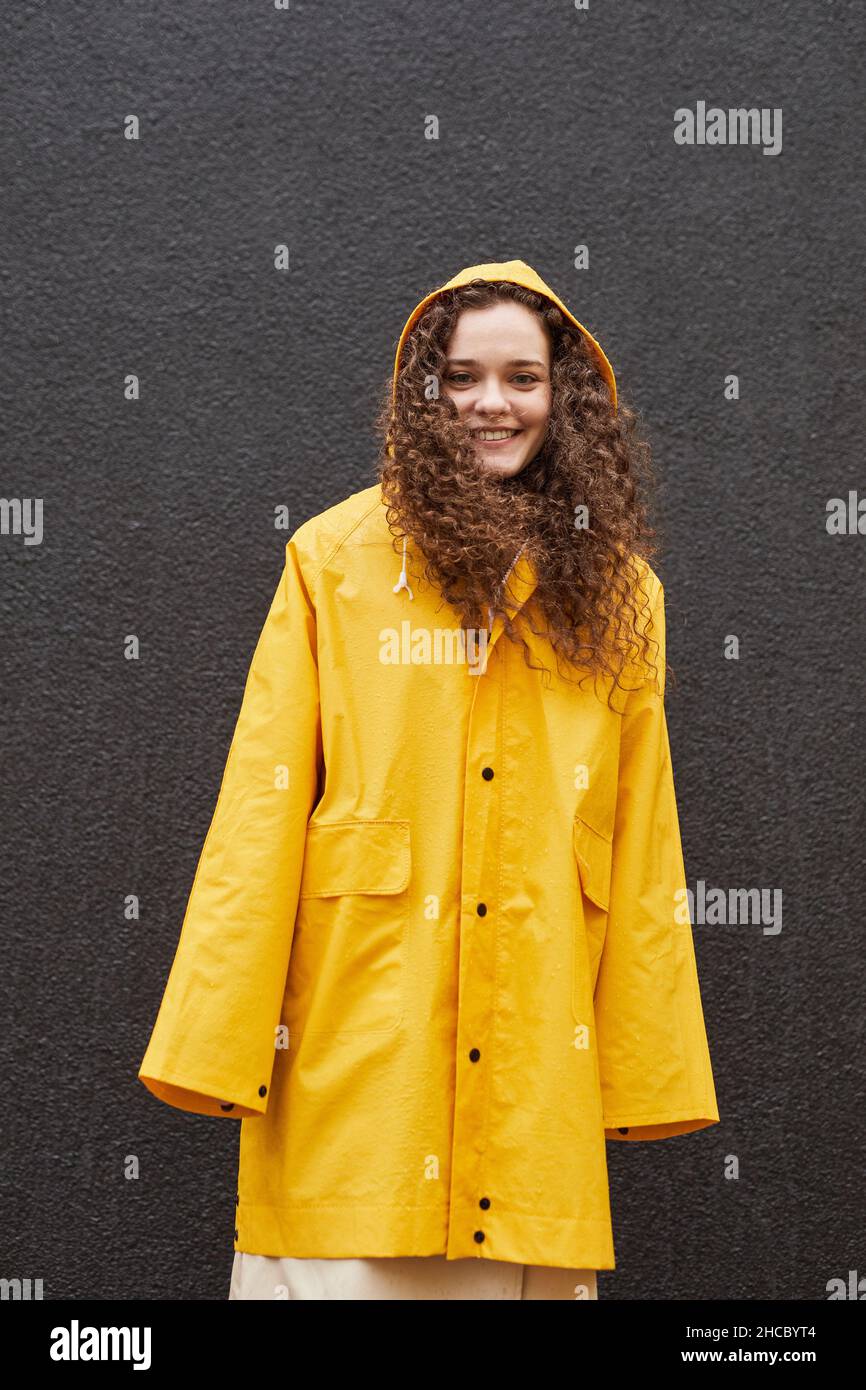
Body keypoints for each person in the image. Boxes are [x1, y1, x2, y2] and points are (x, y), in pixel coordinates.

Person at [138, 259, 720, 1301]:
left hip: (536, 1072)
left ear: (564, 398)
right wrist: (216, 1044)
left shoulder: (622, 593)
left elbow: (642, 842)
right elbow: (258, 810)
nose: (491, 403)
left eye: (521, 378)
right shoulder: (334, 558)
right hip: (358, 1066)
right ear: (423, 393)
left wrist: (646, 1068)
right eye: (459, 377)